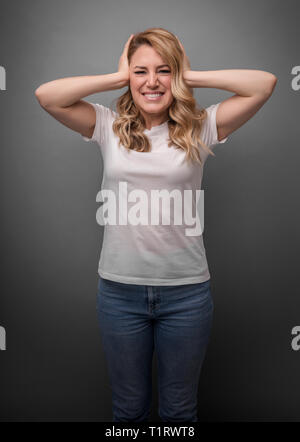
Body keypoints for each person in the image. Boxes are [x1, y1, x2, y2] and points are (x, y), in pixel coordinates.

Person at [35, 27, 277, 422]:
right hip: (118, 294)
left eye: (163, 71)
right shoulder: (108, 127)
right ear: (128, 76)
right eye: (141, 71)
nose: (152, 82)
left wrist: (189, 73)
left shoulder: (201, 127)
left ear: (176, 77)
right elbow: (46, 95)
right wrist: (116, 77)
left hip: (186, 296)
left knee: (180, 412)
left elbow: (263, 85)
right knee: (128, 411)